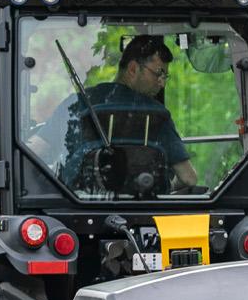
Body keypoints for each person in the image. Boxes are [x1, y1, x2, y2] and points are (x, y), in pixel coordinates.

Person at [53, 35, 197, 191]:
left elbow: (37, 150)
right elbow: (189, 178)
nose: (162, 83)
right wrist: (166, 190)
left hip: (78, 209)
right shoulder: (157, 114)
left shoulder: (76, 103)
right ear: (133, 69)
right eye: (158, 74)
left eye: (165, 76)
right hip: (146, 209)